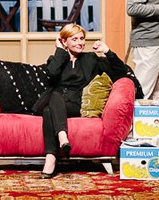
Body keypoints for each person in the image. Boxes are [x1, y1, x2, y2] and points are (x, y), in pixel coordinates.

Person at [33, 23, 127, 178]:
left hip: (75, 104)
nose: (80, 43)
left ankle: (51, 158)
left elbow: (121, 72)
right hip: (53, 100)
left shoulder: (91, 59)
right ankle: (61, 138)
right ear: (64, 42)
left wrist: (107, 52)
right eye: (74, 39)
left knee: (49, 110)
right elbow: (52, 74)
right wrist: (60, 51)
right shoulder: (56, 59)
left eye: (82, 39)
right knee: (55, 95)